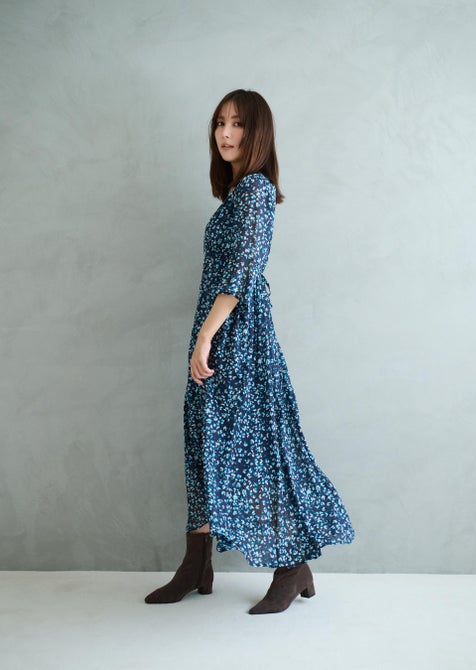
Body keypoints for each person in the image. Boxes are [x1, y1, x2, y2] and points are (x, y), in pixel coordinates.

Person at [144, 89, 355, 615]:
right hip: (216, 332)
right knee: (203, 439)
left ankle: (292, 565)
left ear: (257, 132)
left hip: (239, 339)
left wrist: (206, 336)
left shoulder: (257, 189)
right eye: (220, 123)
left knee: (258, 449)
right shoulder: (236, 195)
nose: (225, 133)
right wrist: (205, 335)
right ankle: (197, 564)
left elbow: (242, 270)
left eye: (237, 123)